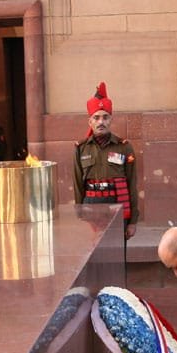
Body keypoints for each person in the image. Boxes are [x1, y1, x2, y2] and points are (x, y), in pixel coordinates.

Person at [73, 82, 138, 240]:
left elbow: (132, 184)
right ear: (90, 122)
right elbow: (77, 185)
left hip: (116, 204)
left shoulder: (124, 148)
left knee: (116, 250)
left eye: (105, 117)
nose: (101, 122)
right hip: (91, 205)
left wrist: (132, 221)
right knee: (91, 252)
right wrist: (79, 215)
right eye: (96, 118)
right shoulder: (81, 148)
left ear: (111, 120)